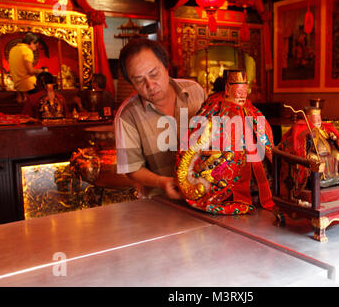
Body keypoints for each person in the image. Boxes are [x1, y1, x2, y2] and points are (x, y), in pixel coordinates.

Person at [114, 39, 206, 199]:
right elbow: (132, 168)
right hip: (163, 203)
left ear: (166, 66)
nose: (150, 85)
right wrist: (162, 182)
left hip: (207, 194)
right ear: (131, 82)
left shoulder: (195, 92)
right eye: (139, 80)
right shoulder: (127, 116)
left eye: (154, 74)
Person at [175, 69, 275, 215]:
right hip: (222, 184)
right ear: (227, 89)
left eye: (245, 91)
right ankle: (226, 196)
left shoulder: (251, 111)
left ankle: (255, 192)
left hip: (254, 189)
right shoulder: (213, 110)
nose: (243, 96)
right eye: (239, 92)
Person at [9, 33, 43, 103]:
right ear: (32, 42)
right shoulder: (27, 51)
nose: (35, 49)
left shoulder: (13, 49)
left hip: (17, 86)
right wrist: (40, 71)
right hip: (29, 85)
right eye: (36, 46)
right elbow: (30, 71)